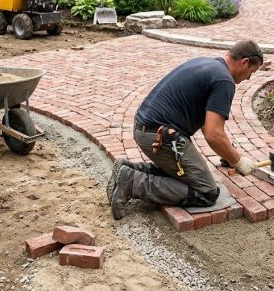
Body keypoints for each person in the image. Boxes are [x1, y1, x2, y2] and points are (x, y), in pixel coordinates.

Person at [108, 40, 264, 220]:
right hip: (162, 137)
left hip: (145, 130)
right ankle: (134, 183)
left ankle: (130, 168)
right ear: (244, 62)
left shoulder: (208, 64)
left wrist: (230, 155)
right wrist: (238, 161)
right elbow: (213, 135)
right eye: (251, 72)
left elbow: (209, 126)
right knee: (206, 192)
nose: (248, 78)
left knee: (188, 176)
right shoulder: (224, 81)